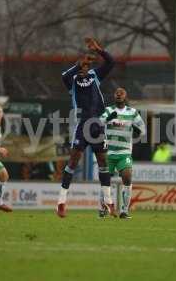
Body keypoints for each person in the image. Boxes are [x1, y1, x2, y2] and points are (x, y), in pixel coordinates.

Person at [57, 37, 115, 218]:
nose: (85, 68)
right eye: (83, 65)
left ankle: (109, 202)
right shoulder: (72, 80)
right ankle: (61, 202)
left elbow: (112, 62)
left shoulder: (95, 76)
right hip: (82, 125)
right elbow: (63, 76)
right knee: (73, 162)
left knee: (103, 163)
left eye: (87, 65)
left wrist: (98, 50)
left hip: (97, 125)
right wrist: (77, 65)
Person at [99, 88, 146, 219]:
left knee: (127, 177)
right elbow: (98, 123)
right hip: (109, 151)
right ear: (114, 96)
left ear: (125, 96)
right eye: (116, 93)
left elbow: (143, 130)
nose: (119, 94)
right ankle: (103, 208)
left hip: (124, 152)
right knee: (105, 180)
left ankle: (124, 211)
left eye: (122, 93)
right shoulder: (109, 110)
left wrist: (138, 130)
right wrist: (108, 118)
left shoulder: (133, 112)